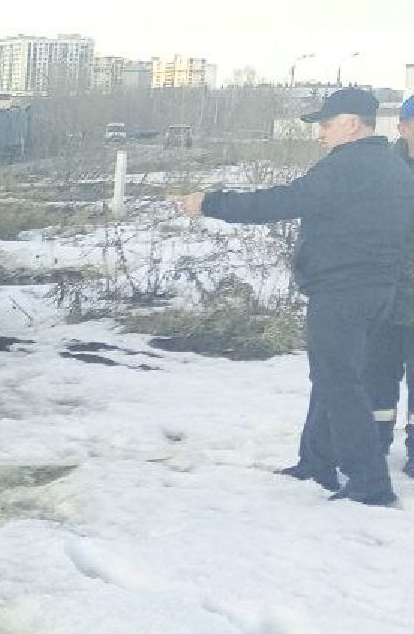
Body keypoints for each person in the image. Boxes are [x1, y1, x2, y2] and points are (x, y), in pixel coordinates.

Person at [177, 87, 414, 506]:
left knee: (340, 381)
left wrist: (210, 203)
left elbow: (284, 200)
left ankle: (370, 483)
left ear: (351, 123)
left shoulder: (348, 167)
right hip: (379, 290)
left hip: (343, 289)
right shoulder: (394, 168)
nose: (320, 133)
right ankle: (316, 462)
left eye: (326, 123)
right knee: (332, 375)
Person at [362, 96, 414, 470]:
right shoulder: (385, 171)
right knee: (378, 374)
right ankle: (374, 441)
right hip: (386, 293)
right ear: (403, 127)